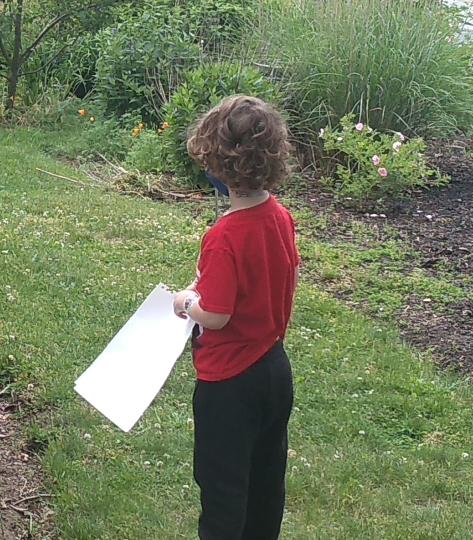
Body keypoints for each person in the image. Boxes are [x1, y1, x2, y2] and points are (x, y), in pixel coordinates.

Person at [172, 95, 300, 540]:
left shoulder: (225, 234)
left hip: (229, 382)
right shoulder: (279, 216)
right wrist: (207, 279)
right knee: (266, 482)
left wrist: (188, 302)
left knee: (223, 489)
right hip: (273, 368)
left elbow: (218, 316)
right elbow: (268, 275)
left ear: (216, 165)